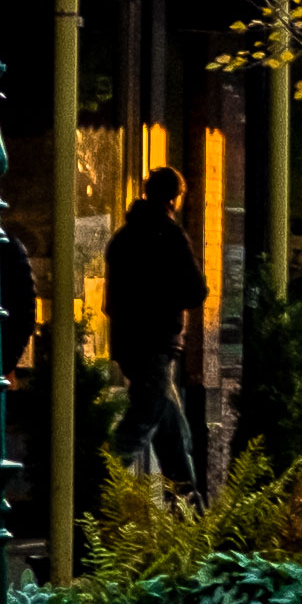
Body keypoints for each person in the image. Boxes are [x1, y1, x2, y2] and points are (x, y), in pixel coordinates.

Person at [106, 163, 207, 491]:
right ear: (174, 198)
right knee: (142, 420)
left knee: (173, 433)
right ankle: (96, 488)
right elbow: (195, 290)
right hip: (156, 344)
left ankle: (188, 508)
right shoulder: (168, 234)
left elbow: (113, 301)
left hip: (129, 344)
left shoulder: (123, 237)